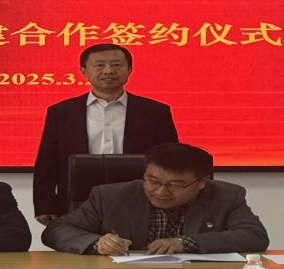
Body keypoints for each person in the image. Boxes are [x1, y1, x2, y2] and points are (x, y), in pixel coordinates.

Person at [32, 44, 178, 224]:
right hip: (78, 198)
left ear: (129, 70)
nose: (108, 71)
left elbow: (170, 160)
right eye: (99, 65)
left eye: (116, 65)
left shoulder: (155, 111)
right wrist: (44, 205)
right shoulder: (62, 112)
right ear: (83, 70)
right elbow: (47, 162)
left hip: (140, 197)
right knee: (79, 241)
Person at [42, 142, 269, 256]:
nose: (160, 192)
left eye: (175, 185)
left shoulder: (226, 196)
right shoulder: (110, 196)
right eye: (152, 181)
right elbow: (56, 230)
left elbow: (255, 236)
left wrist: (184, 243)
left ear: (202, 182)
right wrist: (97, 243)